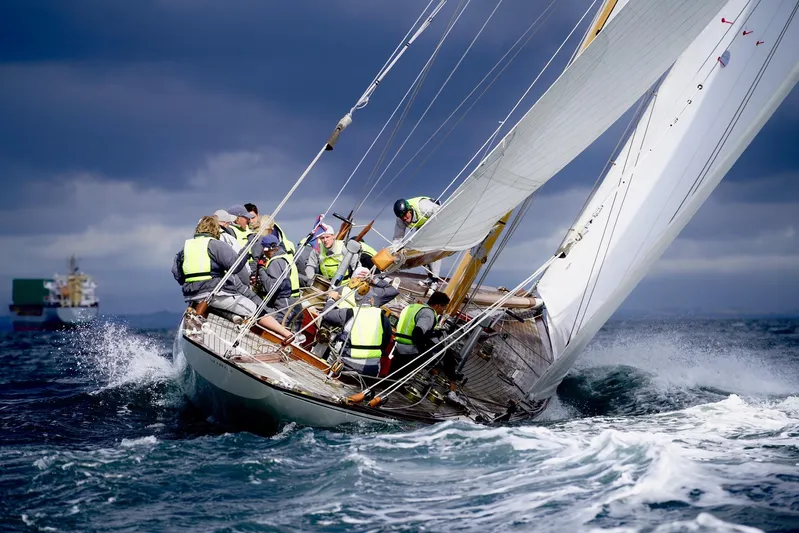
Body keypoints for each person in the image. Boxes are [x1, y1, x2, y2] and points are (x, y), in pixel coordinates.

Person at [322, 299, 392, 377]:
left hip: (344, 365)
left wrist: (331, 300)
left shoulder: (350, 312)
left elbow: (327, 314)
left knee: (336, 345)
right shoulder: (384, 318)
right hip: (371, 369)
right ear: (372, 301)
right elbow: (385, 343)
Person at [392, 291, 450, 378]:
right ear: (438, 305)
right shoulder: (428, 314)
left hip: (397, 343)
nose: (442, 312)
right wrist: (424, 351)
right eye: (443, 308)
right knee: (442, 354)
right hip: (409, 348)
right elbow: (417, 333)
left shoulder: (413, 307)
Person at [393, 197, 442, 288]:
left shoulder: (423, 207)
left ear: (410, 210)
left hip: (435, 216)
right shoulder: (400, 219)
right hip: (422, 223)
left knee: (433, 246)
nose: (404, 218)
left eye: (405, 214)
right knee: (417, 248)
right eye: (401, 217)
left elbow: (441, 213)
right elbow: (398, 237)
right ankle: (430, 277)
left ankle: (435, 280)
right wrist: (395, 252)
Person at [256, 234, 302, 328]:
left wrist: (261, 269)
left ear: (266, 249)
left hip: (284, 305)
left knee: (275, 326)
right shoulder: (286, 257)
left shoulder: (276, 262)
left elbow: (271, 287)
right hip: (295, 303)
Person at [331, 267, 399, 309]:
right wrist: (375, 280)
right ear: (368, 281)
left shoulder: (340, 290)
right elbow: (393, 291)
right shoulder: (375, 294)